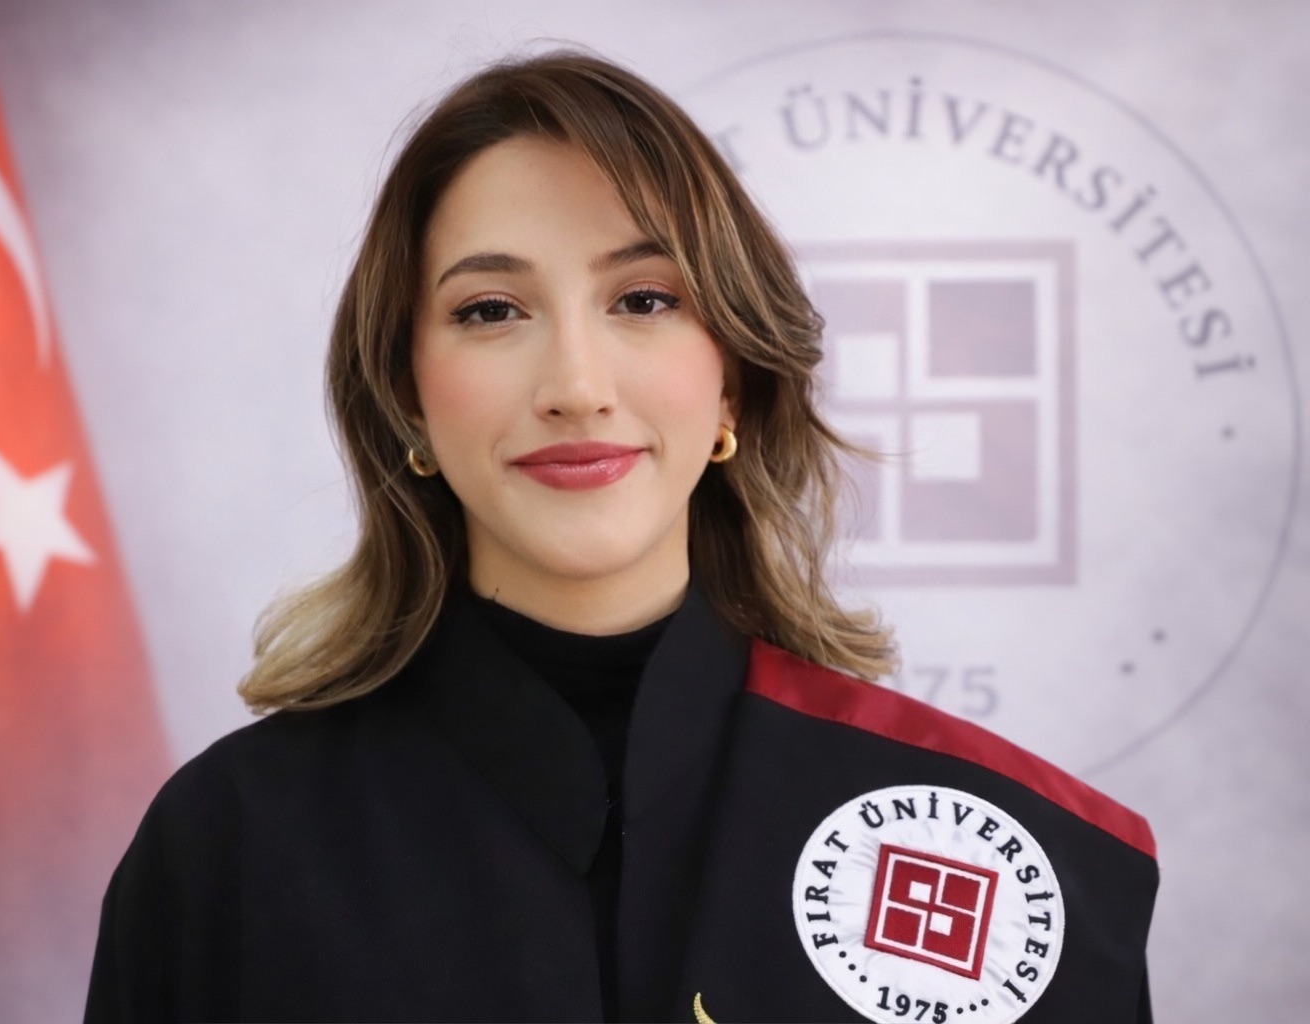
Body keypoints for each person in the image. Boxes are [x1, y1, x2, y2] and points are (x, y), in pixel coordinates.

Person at [84, 50, 1156, 1024]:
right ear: (408, 399)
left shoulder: (1013, 862)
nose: (576, 386)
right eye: (491, 310)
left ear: (733, 382)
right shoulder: (227, 853)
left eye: (643, 299)